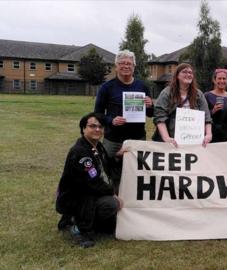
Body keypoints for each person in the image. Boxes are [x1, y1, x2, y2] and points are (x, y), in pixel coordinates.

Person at [55, 112, 123, 248]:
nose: (97, 129)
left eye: (100, 127)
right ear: (83, 129)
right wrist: (113, 193)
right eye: (92, 126)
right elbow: (92, 183)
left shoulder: (97, 146)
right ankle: (79, 226)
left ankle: (90, 222)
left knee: (111, 220)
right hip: (76, 197)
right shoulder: (80, 152)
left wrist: (118, 156)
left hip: (90, 193)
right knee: (111, 204)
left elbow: (107, 165)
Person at [94, 50, 153, 191]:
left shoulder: (142, 86)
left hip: (137, 138)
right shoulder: (107, 87)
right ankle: (111, 200)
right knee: (110, 171)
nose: (126, 66)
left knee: (137, 172)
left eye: (129, 63)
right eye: (122, 63)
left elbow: (150, 114)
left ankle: (133, 202)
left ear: (134, 66)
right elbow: (97, 114)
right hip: (113, 139)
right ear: (116, 66)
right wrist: (111, 121)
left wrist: (150, 105)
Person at [152, 63, 212, 147]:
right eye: (184, 72)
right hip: (172, 142)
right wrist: (166, 138)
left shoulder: (199, 94)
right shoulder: (167, 93)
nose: (188, 74)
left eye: (190, 73)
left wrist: (208, 134)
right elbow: (159, 117)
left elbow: (207, 117)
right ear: (177, 75)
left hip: (194, 141)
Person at [204, 68, 227, 142]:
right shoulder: (207, 95)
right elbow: (201, 116)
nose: (222, 81)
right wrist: (212, 111)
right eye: (219, 78)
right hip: (211, 135)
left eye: (224, 79)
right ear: (214, 80)